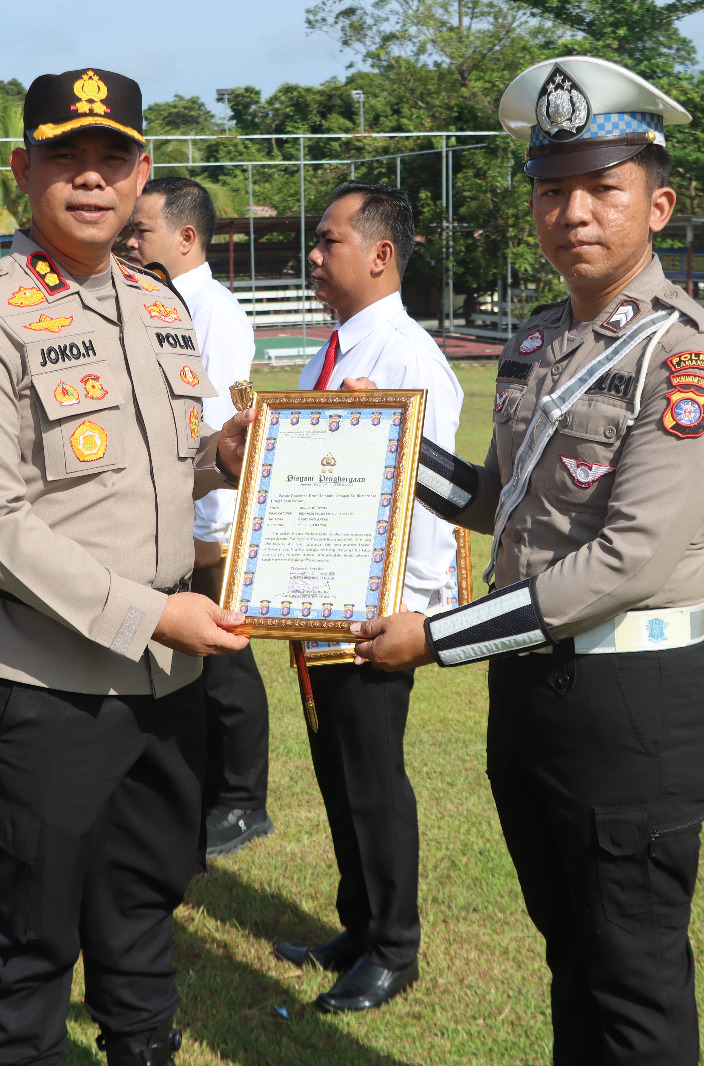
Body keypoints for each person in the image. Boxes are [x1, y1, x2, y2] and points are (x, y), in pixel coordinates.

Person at [351, 57, 704, 1064]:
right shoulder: (540, 343)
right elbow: (500, 503)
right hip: (534, 694)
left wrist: (436, 637)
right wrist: (383, 444)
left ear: (657, 206)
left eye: (601, 188)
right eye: (550, 190)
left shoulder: (689, 357)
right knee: (572, 957)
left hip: (631, 703)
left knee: (633, 982)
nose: (572, 212)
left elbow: (625, 561)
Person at [0, 68, 253, 1066]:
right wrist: (152, 614)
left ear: (142, 175)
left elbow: (160, 464)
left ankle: (142, 1046)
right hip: (45, 684)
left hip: (166, 677)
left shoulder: (158, 303)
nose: (92, 178)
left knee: (144, 892)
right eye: (67, 157)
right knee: (33, 925)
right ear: (25, 171)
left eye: (113, 158)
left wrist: (222, 453)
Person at [271, 181, 464, 1013]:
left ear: (382, 254)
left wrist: (411, 614)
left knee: (373, 778)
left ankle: (394, 947)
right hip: (319, 601)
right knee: (337, 773)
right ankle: (358, 925)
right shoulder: (335, 350)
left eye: (330, 241)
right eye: (315, 242)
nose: (314, 257)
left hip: (373, 616)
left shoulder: (406, 358)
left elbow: (433, 501)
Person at [126, 176, 274, 858]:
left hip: (208, 516)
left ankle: (242, 802)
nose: (131, 242)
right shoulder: (157, 300)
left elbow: (216, 423)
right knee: (193, 662)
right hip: (175, 514)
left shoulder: (213, 311)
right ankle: (208, 789)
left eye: (142, 230)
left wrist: (206, 527)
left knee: (226, 666)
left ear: (186, 237)